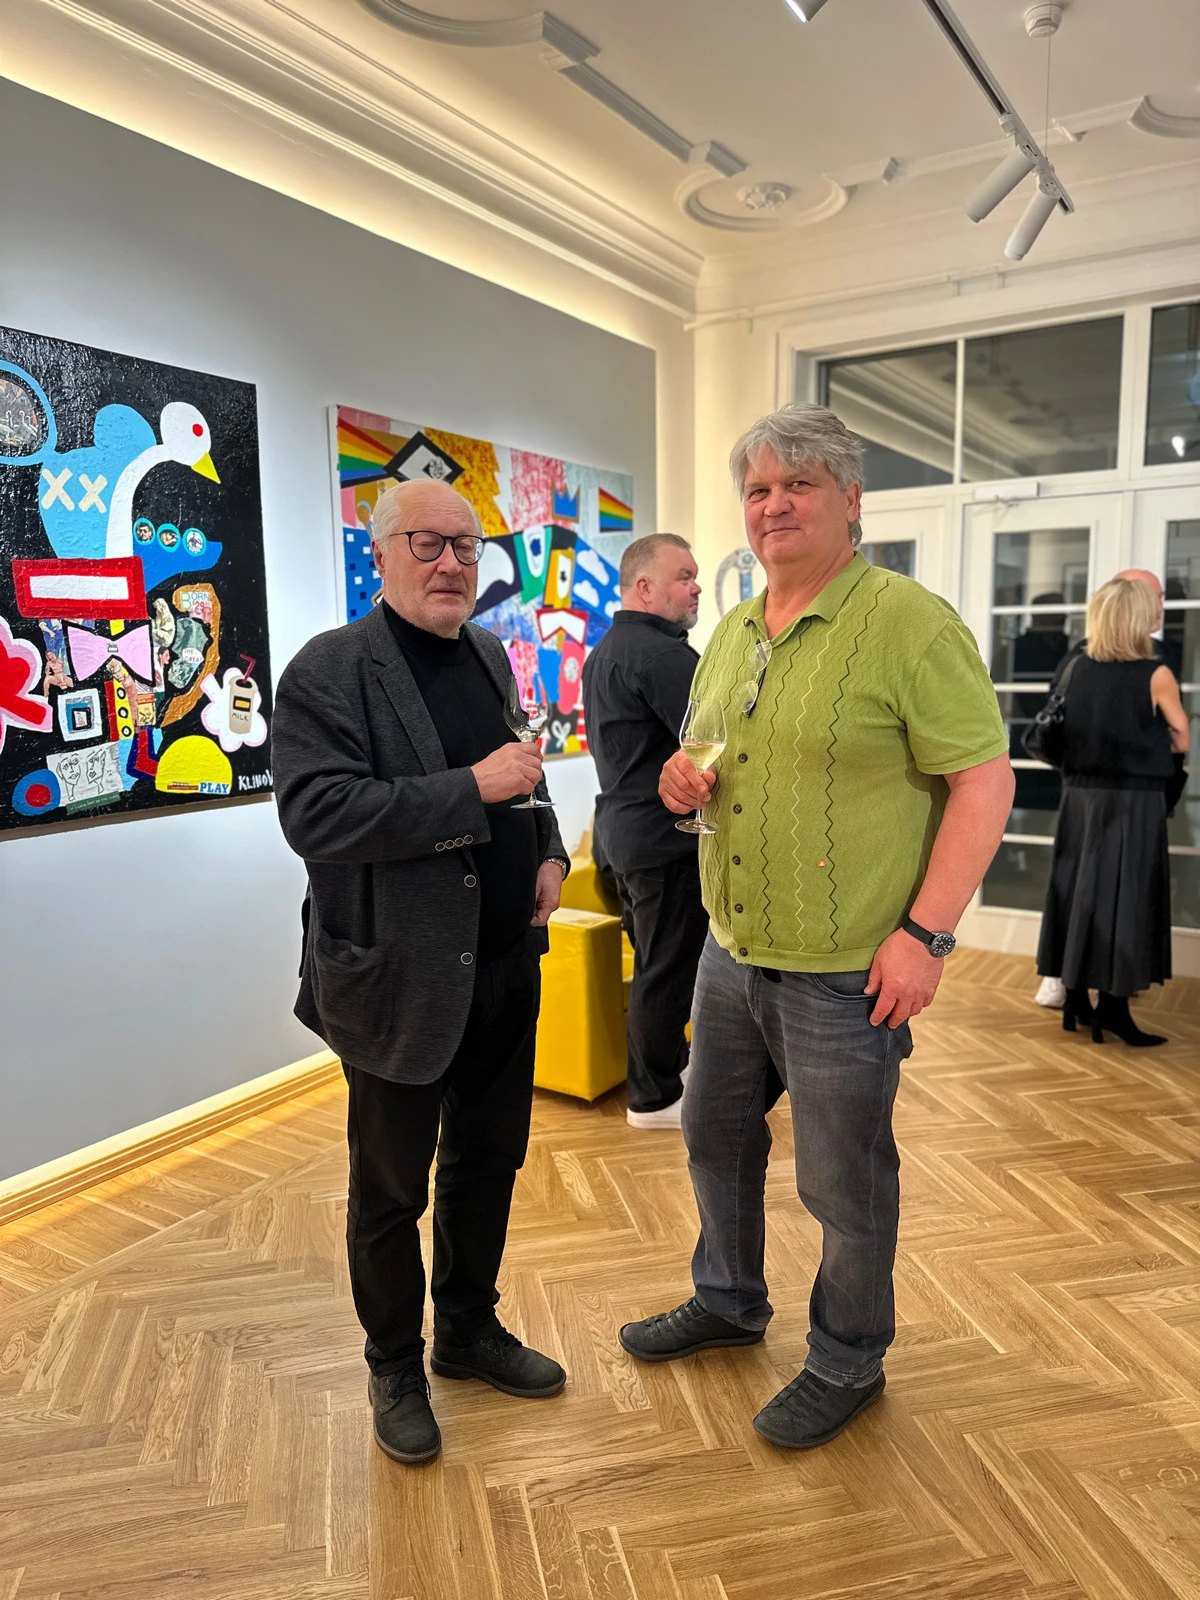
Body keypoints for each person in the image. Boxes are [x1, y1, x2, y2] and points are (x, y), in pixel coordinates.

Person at [617, 402, 1014, 1451]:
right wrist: (682, 783)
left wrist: (926, 936)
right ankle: (728, 1297)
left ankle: (847, 1356)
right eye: (759, 488)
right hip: (732, 947)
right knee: (713, 1136)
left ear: (850, 499)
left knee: (842, 1180)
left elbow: (985, 781)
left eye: (800, 483)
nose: (775, 504)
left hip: (851, 969)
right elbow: (709, 758)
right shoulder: (733, 632)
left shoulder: (909, 623)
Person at [272, 479, 571, 1468]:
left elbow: (525, 771)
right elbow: (317, 815)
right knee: (390, 1190)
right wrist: (469, 790)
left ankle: (467, 1331)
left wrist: (548, 850)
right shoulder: (329, 670)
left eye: (466, 546)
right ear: (381, 553)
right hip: (395, 978)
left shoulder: (487, 652)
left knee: (489, 1160)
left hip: (504, 963)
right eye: (428, 543)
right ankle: (394, 1364)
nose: (451, 564)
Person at [581, 534, 707, 1129]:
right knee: (667, 971)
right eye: (684, 576)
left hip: (620, 838)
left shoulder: (605, 651)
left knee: (658, 964)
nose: (696, 587)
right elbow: (719, 743)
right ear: (645, 587)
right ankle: (654, 1098)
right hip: (664, 841)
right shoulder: (661, 656)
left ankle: (666, 1076)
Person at [1036, 575, 1189, 1046]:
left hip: (1080, 799)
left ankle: (1075, 1001)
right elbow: (1181, 736)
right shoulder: (1156, 674)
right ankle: (1114, 1009)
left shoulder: (1076, 668)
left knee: (1077, 894)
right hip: (1133, 802)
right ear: (1138, 619)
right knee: (1128, 899)